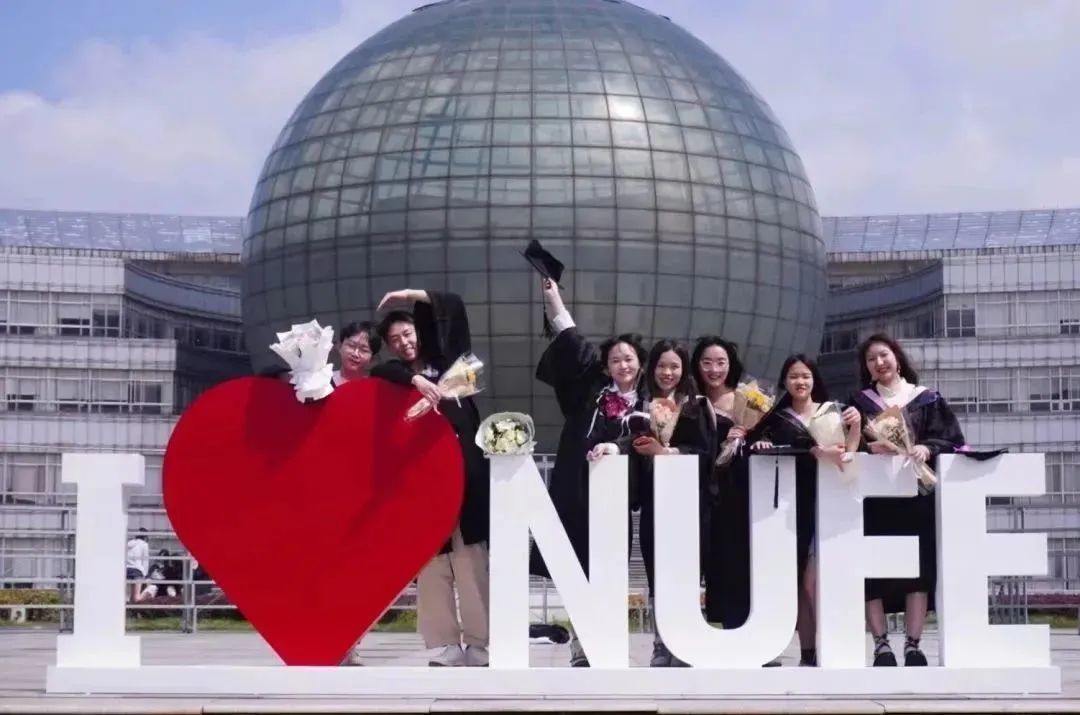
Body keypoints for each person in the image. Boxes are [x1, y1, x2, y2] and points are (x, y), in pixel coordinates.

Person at [532, 277, 648, 667]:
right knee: (576, 565)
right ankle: (583, 646)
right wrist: (554, 301)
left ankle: (608, 642)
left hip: (616, 498)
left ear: (640, 363)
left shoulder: (650, 402)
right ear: (606, 366)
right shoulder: (593, 391)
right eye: (615, 360)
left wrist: (620, 446)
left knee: (610, 569)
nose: (622, 365)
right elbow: (573, 343)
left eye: (629, 359)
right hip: (577, 490)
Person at [372, 289, 490, 668]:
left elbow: (454, 309)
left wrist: (411, 295)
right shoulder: (396, 378)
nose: (403, 343)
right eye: (394, 340)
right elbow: (380, 372)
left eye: (407, 334)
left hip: (465, 479)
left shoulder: (451, 366)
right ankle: (445, 645)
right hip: (425, 485)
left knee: (471, 563)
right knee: (432, 567)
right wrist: (415, 381)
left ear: (420, 332)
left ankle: (480, 645)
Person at [849, 333, 966, 667]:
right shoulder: (859, 404)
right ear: (866, 368)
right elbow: (846, 447)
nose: (879, 363)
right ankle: (881, 645)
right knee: (872, 570)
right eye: (871, 359)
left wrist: (927, 447)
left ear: (897, 358)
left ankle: (913, 645)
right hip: (875, 500)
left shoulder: (926, 399)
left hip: (917, 497)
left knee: (919, 569)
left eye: (883, 355)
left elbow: (953, 440)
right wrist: (869, 447)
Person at [747, 355, 862, 667]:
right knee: (799, 582)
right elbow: (756, 443)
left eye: (806, 376)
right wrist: (762, 443)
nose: (800, 382)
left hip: (830, 502)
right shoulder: (775, 418)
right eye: (794, 376)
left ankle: (831, 645)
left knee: (815, 581)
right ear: (785, 381)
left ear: (814, 380)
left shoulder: (833, 411)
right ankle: (808, 651)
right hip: (791, 507)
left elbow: (851, 452)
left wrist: (856, 426)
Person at [623, 339, 698, 666]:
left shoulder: (695, 407)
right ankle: (660, 644)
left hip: (687, 505)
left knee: (684, 574)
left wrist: (666, 452)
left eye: (675, 366)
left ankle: (684, 643)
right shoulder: (639, 406)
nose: (668, 373)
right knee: (656, 574)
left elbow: (705, 452)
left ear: (684, 370)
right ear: (651, 369)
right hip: (653, 503)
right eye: (662, 366)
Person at [334, 320, 380, 385]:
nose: (355, 354)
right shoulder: (323, 382)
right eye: (351, 345)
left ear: (372, 359)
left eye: (364, 350)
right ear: (339, 346)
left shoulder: (376, 388)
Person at [125, 528, 150, 603]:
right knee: (136, 597)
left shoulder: (129, 543)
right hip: (137, 570)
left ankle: (130, 609)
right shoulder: (144, 544)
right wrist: (145, 574)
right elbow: (145, 560)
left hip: (127, 570)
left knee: (128, 596)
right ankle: (150, 593)